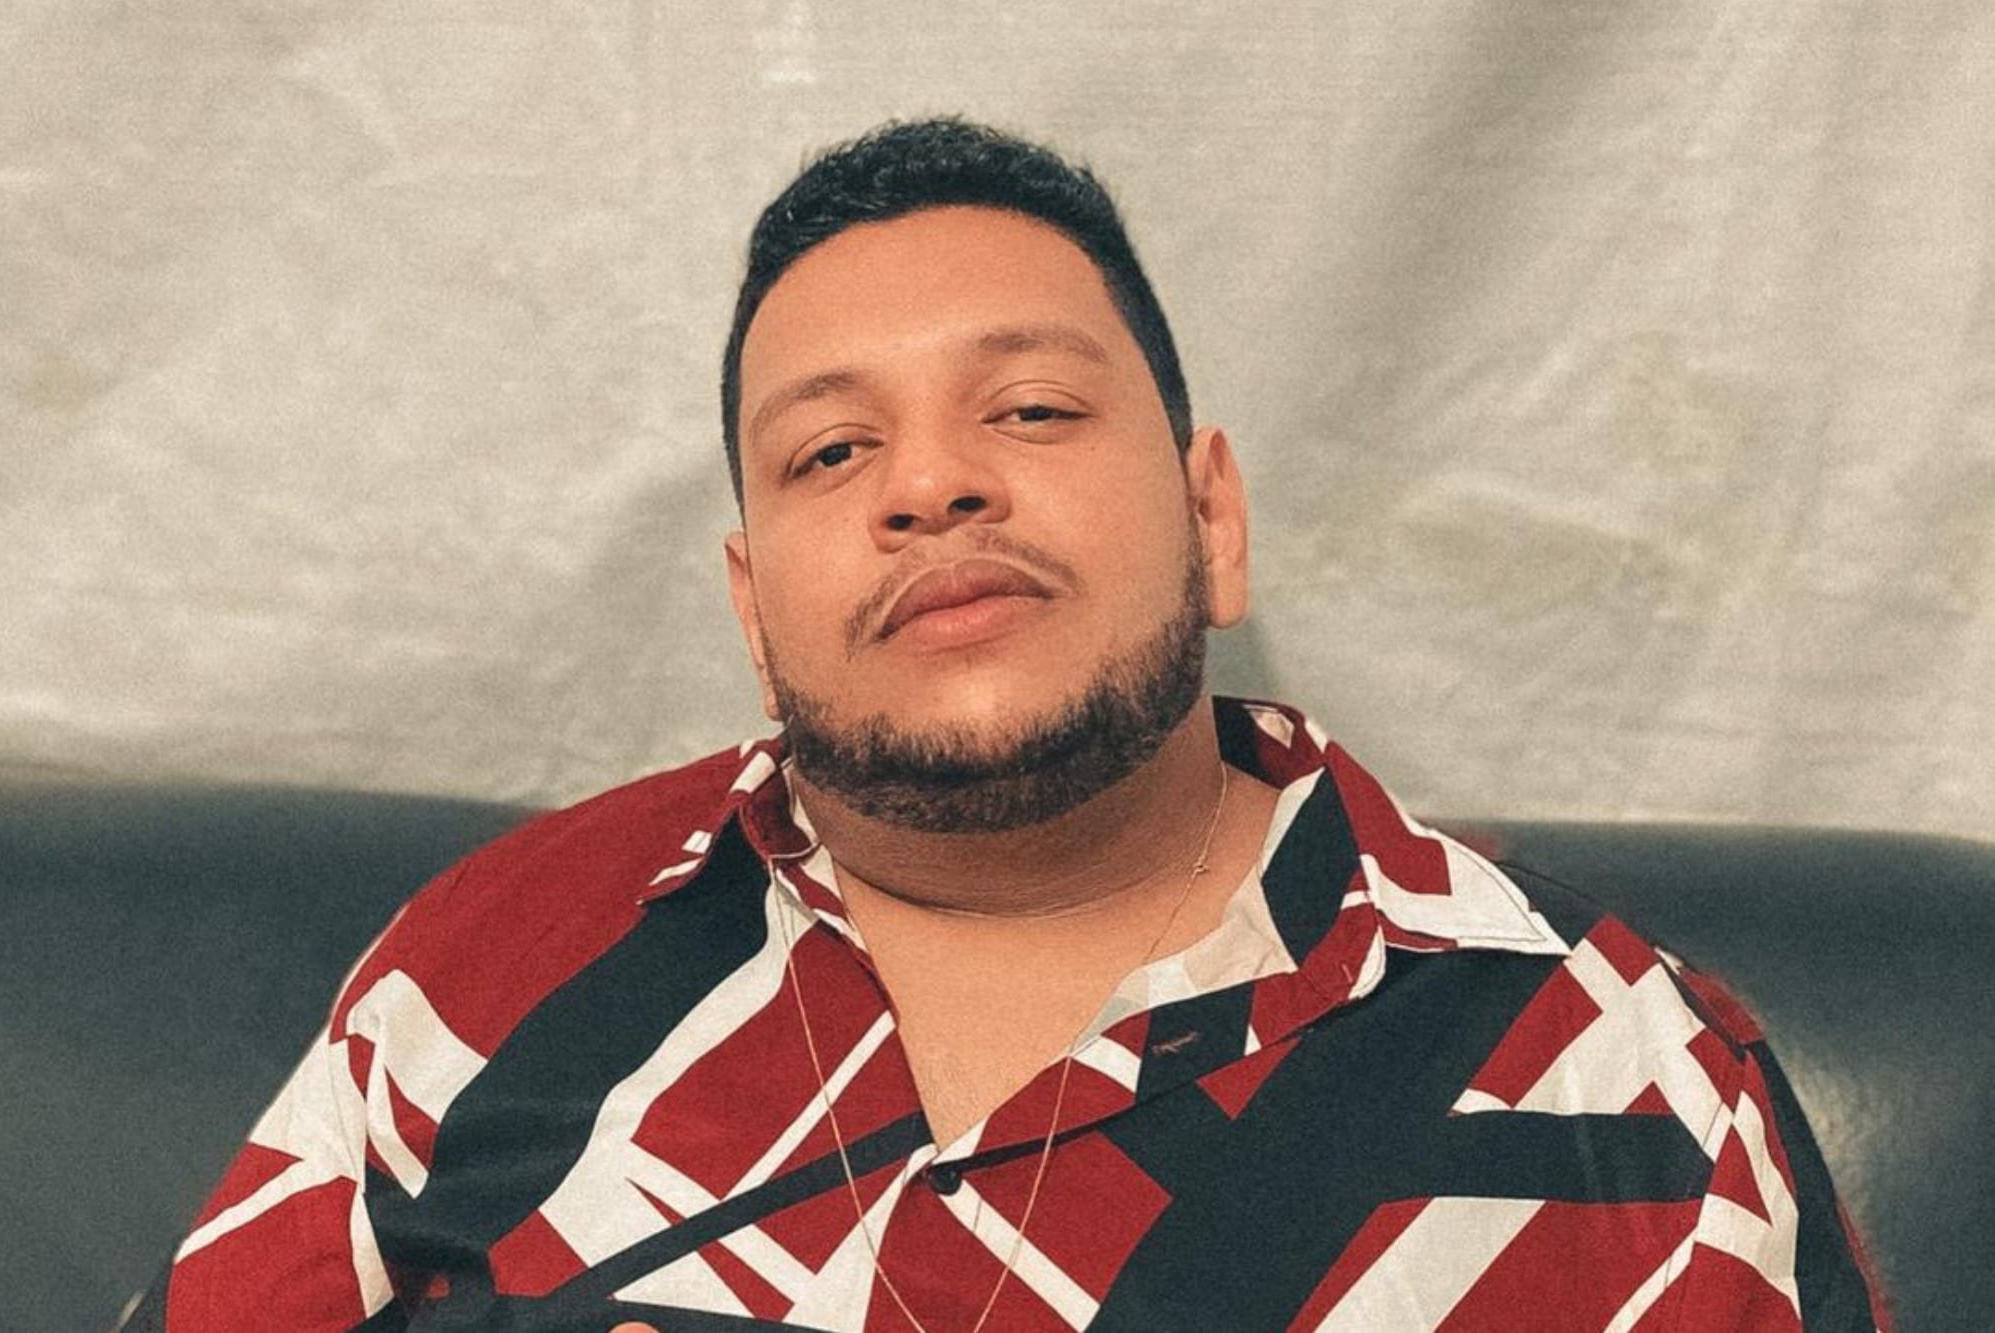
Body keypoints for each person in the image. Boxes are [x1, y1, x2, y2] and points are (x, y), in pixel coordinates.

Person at [127, 118, 1885, 1331]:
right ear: (753, 612)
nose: (932, 483)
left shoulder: (1629, 1092)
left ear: (1212, 518)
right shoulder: (487, 966)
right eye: (833, 450)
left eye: (1030, 408)